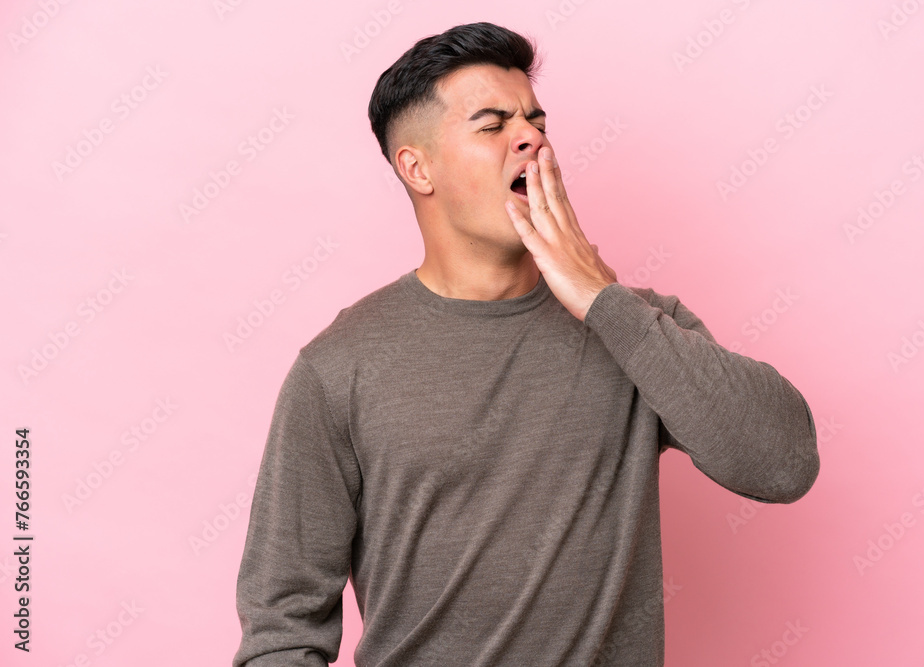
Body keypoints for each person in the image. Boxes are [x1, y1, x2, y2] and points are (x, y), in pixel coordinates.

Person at [233, 21, 819, 667]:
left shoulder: (637, 327)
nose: (532, 137)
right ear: (417, 167)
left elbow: (784, 463)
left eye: (536, 119)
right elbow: (281, 628)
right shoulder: (338, 367)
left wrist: (602, 299)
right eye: (493, 124)